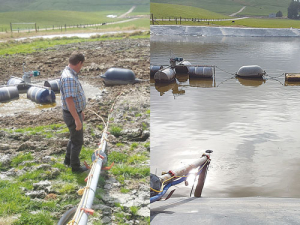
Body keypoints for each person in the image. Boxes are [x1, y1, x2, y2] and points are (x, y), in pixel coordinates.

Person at [60, 52, 88, 173]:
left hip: (74, 112)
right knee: (77, 141)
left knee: (73, 138)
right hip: (71, 114)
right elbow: (69, 100)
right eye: (82, 65)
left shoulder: (70, 74)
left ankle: (67, 161)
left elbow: (73, 100)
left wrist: (80, 111)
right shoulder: (69, 78)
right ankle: (75, 167)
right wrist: (76, 119)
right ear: (79, 63)